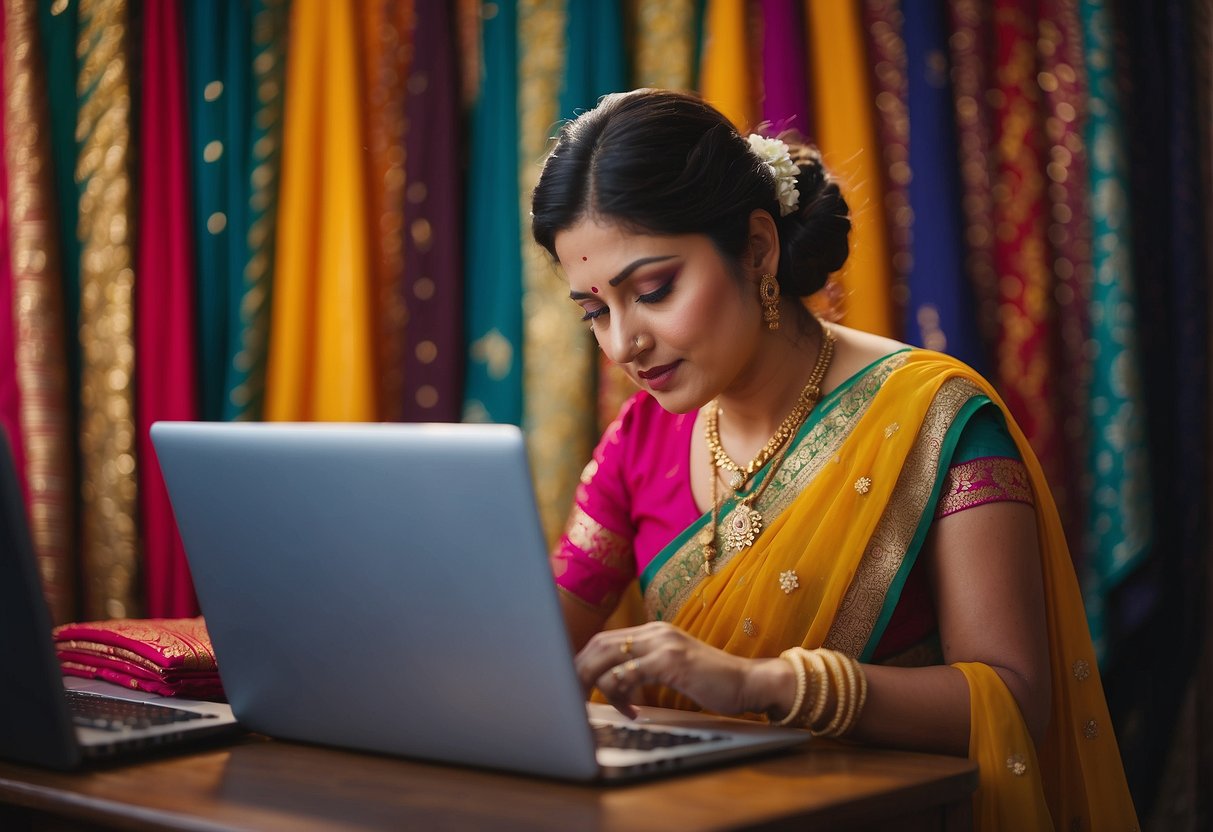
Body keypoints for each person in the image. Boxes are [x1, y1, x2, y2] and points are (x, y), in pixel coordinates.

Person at [530, 89, 1137, 829]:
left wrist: (763, 683)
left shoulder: (932, 418)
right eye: (594, 310)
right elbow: (537, 650)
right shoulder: (640, 437)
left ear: (757, 247)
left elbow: (1013, 699)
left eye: (652, 290)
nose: (623, 343)